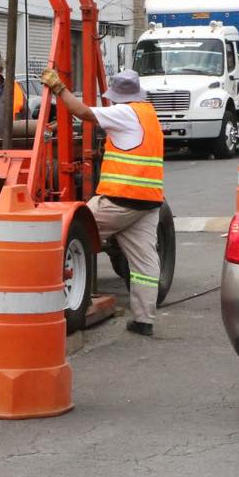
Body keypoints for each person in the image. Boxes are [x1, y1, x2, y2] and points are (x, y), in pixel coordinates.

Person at [41, 66, 163, 337]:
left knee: (69, 233)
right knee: (145, 264)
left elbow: (83, 113)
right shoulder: (148, 114)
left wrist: (59, 88)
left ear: (118, 96)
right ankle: (144, 320)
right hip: (148, 202)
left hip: (120, 200)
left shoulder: (125, 112)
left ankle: (44, 304)